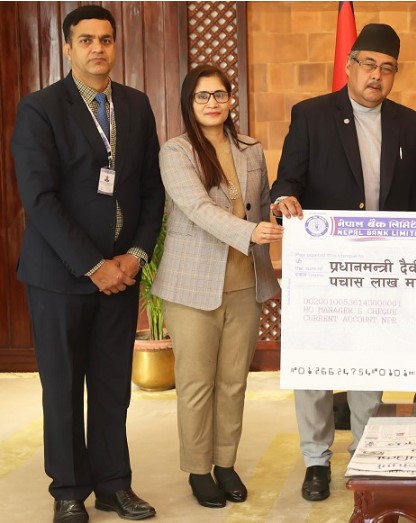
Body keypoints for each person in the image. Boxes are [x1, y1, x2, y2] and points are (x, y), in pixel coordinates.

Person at [11, 5, 163, 522]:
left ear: (115, 45)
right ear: (68, 47)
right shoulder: (41, 108)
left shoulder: (136, 105)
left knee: (111, 387)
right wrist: (93, 265)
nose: (98, 48)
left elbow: (150, 189)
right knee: (62, 388)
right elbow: (40, 199)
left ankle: (114, 485)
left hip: (121, 274)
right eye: (86, 40)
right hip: (60, 276)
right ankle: (69, 491)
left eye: (106, 39)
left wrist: (134, 256)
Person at [271, 23, 416, 502]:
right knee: (315, 367)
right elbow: (287, 180)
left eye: (387, 68)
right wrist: (283, 200)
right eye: (368, 65)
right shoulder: (312, 115)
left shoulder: (410, 124)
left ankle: (364, 455)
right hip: (323, 264)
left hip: (382, 267)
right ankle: (316, 460)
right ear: (349, 65)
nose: (376, 76)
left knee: (370, 362)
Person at [152, 64, 282, 509]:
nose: (212, 103)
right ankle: (198, 469)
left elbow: (263, 203)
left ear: (231, 99)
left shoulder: (250, 148)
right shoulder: (176, 151)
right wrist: (250, 232)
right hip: (191, 287)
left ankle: (225, 464)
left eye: (219, 95)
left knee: (233, 383)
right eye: (202, 96)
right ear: (189, 103)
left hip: (245, 284)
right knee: (196, 385)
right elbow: (196, 208)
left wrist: (282, 211)